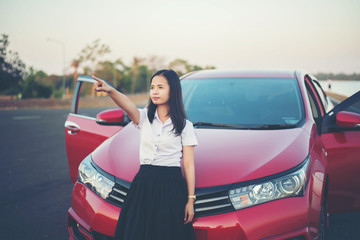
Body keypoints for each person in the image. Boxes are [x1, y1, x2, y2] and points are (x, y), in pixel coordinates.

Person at [92, 69, 198, 240]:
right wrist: (110, 90)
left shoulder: (185, 126)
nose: (154, 91)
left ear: (173, 90)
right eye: (152, 87)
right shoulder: (144, 118)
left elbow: (189, 164)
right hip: (144, 184)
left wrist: (190, 200)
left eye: (160, 87)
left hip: (171, 186)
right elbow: (127, 104)